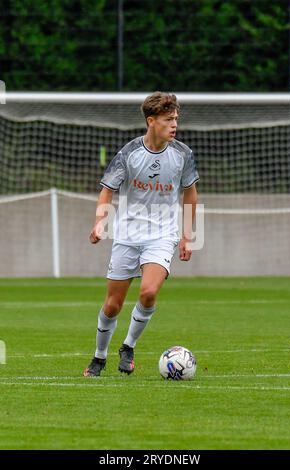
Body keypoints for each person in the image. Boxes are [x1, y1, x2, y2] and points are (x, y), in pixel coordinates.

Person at [83, 91, 199, 377]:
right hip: (128, 233)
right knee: (113, 305)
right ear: (151, 121)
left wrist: (188, 235)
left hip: (162, 234)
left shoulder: (183, 154)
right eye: (168, 120)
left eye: (176, 119)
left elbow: (190, 194)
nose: (175, 125)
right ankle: (99, 357)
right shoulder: (129, 152)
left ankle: (128, 346)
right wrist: (100, 222)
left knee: (148, 292)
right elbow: (107, 190)